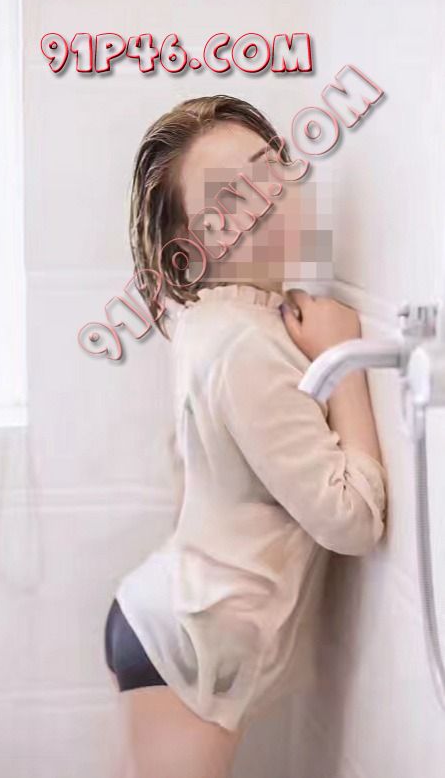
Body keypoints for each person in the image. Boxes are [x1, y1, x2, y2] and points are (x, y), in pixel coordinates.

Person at [104, 95, 388, 778]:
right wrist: (343, 361)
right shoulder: (244, 345)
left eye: (269, 168)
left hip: (178, 619)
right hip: (187, 642)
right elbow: (352, 521)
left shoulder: (214, 318)